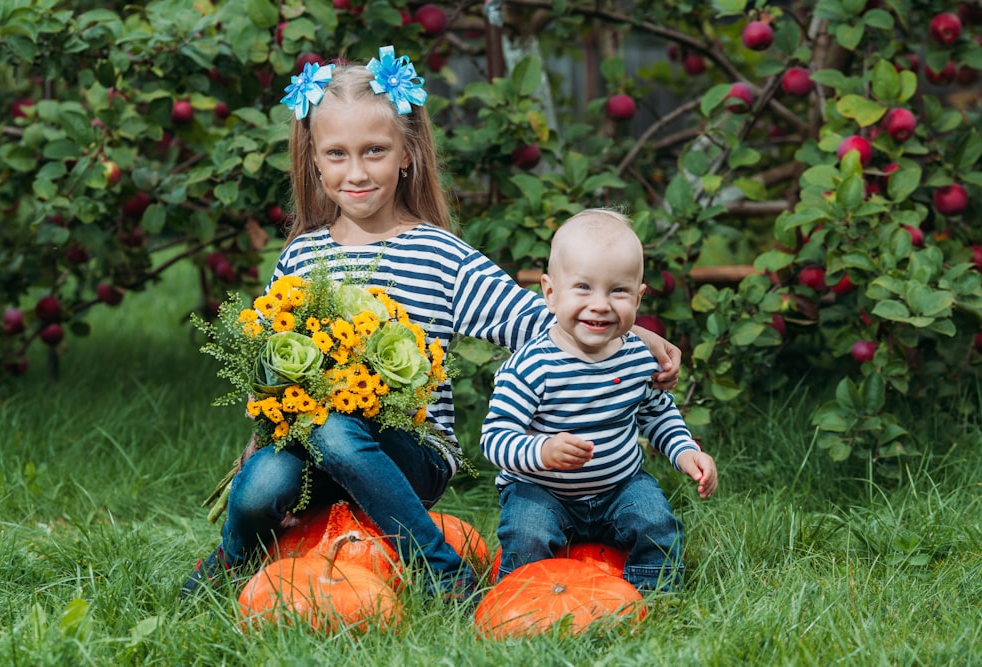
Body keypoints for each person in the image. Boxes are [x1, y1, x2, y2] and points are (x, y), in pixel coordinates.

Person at [181, 47, 682, 603]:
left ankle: (440, 569)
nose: (357, 171)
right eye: (337, 154)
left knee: (337, 424)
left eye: (374, 151)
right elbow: (274, 370)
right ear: (315, 161)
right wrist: (261, 437)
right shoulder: (301, 258)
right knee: (260, 488)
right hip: (316, 455)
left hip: (414, 453)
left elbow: (537, 321)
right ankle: (233, 557)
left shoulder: (438, 254)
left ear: (406, 154)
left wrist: (631, 332)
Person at [480, 208, 717, 594]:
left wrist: (685, 452)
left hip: (619, 486)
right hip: (543, 489)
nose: (601, 304)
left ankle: (652, 597)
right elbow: (495, 438)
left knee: (656, 521)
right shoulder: (531, 365)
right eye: (584, 288)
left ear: (639, 297)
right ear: (551, 293)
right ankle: (524, 597)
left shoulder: (639, 356)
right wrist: (542, 450)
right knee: (528, 531)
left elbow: (657, 415)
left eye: (618, 290)